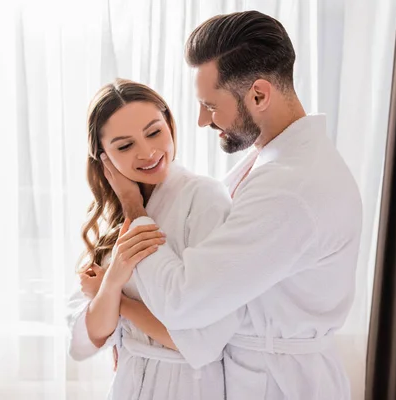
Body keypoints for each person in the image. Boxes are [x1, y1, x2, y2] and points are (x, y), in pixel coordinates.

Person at [99, 11, 363, 400]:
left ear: (258, 94)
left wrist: (134, 209)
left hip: (277, 384)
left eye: (210, 104)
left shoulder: (290, 188)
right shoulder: (273, 160)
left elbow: (183, 301)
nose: (203, 120)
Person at [67, 79, 243, 399]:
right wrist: (111, 282)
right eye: (124, 146)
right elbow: (88, 339)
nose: (147, 152)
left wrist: (115, 299)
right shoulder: (115, 217)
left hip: (188, 386)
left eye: (153, 132)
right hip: (129, 384)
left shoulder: (204, 198)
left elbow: (202, 342)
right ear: (103, 157)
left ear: (169, 123)